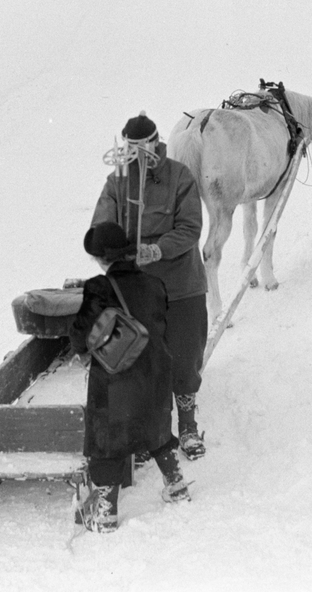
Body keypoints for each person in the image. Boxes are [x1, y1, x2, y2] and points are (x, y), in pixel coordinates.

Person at [91, 112, 211, 460]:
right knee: (142, 360)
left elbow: (190, 227)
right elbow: (102, 223)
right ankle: (151, 431)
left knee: (185, 355)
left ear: (156, 145)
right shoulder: (117, 182)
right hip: (137, 288)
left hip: (180, 284)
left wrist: (158, 248)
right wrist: (109, 250)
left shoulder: (179, 177)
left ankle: (187, 424)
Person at [70, 221, 191, 533]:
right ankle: (176, 484)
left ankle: (107, 512)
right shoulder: (155, 284)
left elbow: (80, 336)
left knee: (106, 440)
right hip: (156, 375)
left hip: (116, 379)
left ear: (101, 258)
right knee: (156, 430)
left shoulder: (98, 287)